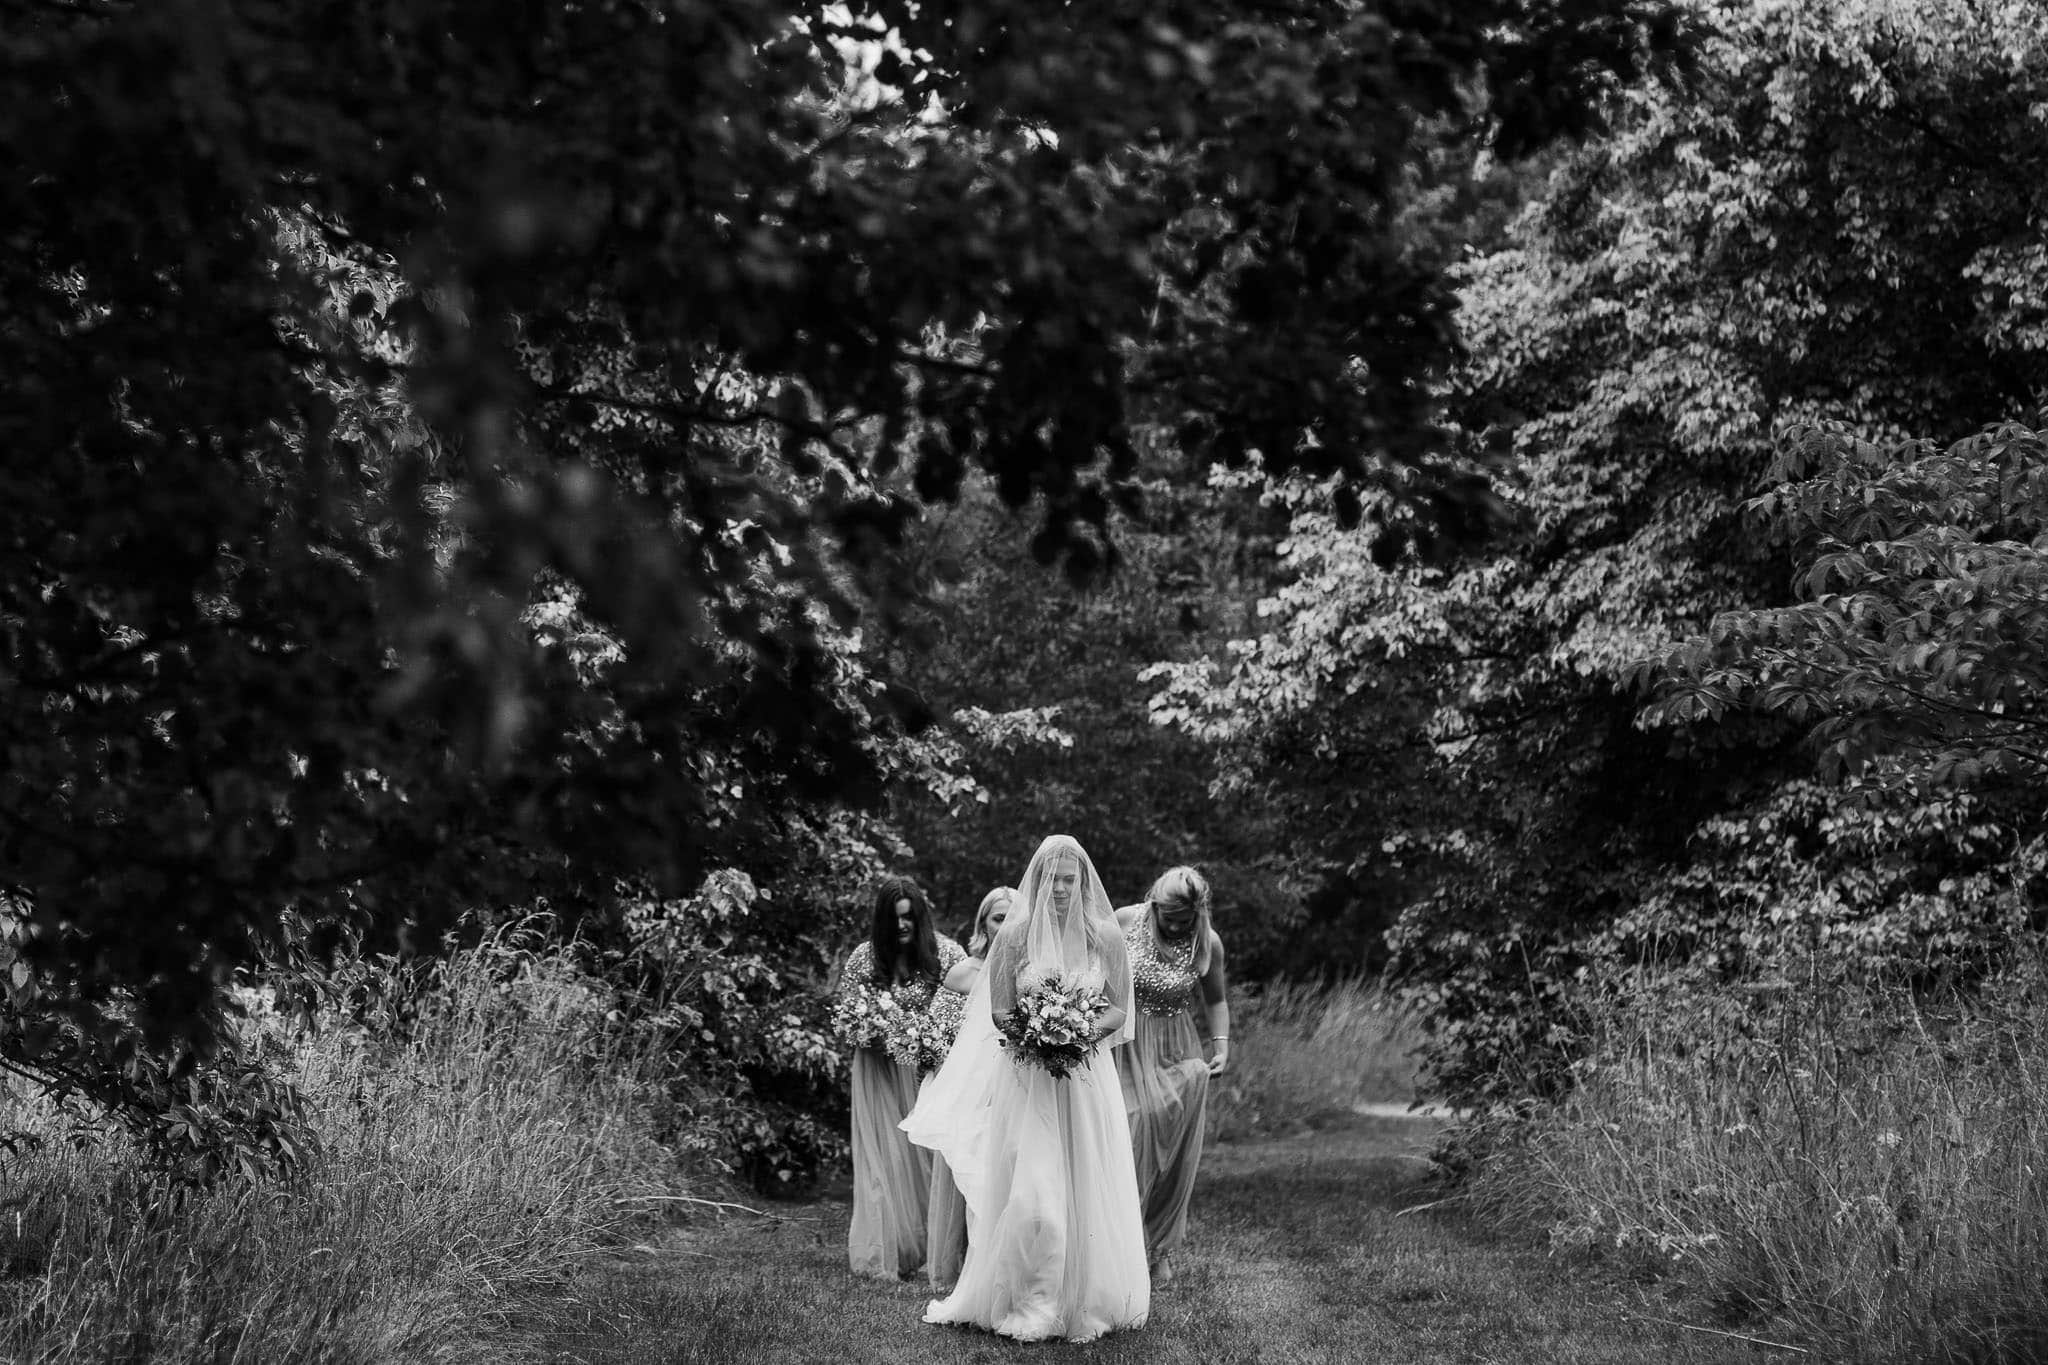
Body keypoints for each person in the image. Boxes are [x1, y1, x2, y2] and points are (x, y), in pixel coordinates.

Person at [902, 835, 1149, 1342]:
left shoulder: (1106, 936)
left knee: (1083, 1178)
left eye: (1068, 879)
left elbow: (1121, 1009)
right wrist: (1036, 1033)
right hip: (1028, 1075)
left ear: (1082, 882)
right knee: (1034, 1188)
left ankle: (1082, 1296)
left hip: (1085, 1076)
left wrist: (1078, 1031)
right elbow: (997, 1008)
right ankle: (1031, 1298)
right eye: (1049, 879)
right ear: (1035, 881)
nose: (1058, 889)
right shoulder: (1015, 937)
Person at [839, 876, 964, 1279]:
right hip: (876, 1069)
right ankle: (883, 1248)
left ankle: (930, 1247)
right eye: (894, 920)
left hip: (926, 1068)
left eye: (909, 919)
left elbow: (963, 1010)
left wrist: (931, 1041)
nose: (902, 927)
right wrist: (864, 1027)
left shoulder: (946, 953)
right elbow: (846, 1015)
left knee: (925, 1157)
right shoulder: (864, 957)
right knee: (881, 1157)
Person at [1115, 865, 1230, 1286]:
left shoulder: (1207, 941)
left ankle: (1159, 1248)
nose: (1178, 927)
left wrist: (1221, 1046)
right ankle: (1119, 1244)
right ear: (1153, 905)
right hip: (1124, 1047)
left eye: (1186, 920)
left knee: (1171, 1154)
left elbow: (1215, 999)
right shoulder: (1125, 920)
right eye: (1169, 918)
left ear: (1198, 912)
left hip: (1175, 1049)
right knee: (1129, 1135)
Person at [924, 885, 1014, 1288]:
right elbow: (938, 1032)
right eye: (998, 918)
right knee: (968, 1167)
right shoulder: (964, 973)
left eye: (1014, 918)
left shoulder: (1026, 972)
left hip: (1012, 1081)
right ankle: (958, 1265)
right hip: (971, 1084)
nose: (1006, 926)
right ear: (983, 923)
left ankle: (998, 1262)